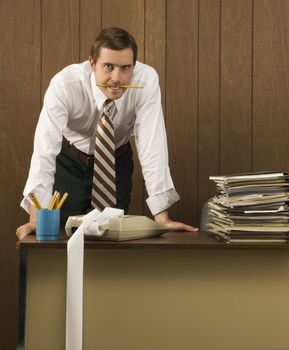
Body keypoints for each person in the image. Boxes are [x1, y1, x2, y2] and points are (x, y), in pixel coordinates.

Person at [16, 27, 198, 240]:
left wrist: (162, 217)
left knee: (110, 241)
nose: (116, 78)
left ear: (134, 66)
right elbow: (44, 151)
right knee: (57, 239)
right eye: (108, 66)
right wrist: (37, 219)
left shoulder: (146, 81)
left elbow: (152, 146)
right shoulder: (65, 85)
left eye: (125, 68)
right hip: (68, 163)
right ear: (92, 63)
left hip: (115, 164)